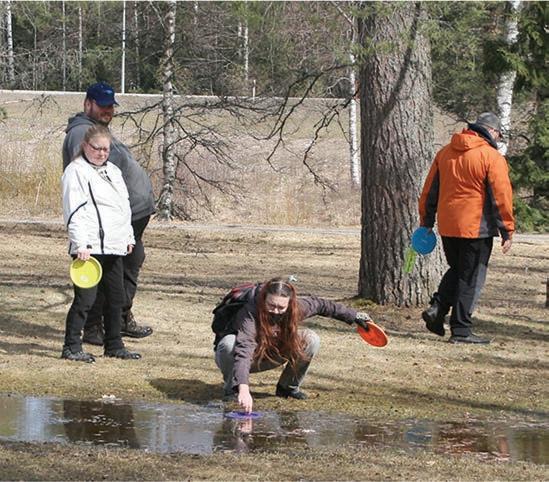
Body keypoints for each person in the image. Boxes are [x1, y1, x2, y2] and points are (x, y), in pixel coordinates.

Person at [62, 82, 155, 345]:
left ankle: (118, 323)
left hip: (125, 221)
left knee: (127, 268)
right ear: (87, 103)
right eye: (102, 105)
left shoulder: (98, 131)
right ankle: (93, 330)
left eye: (111, 106)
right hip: (100, 227)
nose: (107, 110)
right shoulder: (81, 132)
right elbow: (82, 188)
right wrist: (83, 238)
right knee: (98, 278)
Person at [418, 112, 515, 345]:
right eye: (498, 135)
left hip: (448, 225)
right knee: (471, 277)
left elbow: (429, 191)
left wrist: (426, 223)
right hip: (476, 226)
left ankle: (437, 308)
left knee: (458, 270)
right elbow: (501, 195)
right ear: (491, 131)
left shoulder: (445, 153)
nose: (497, 139)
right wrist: (507, 229)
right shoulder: (491, 156)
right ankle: (461, 330)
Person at [214, 277, 371, 413]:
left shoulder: (297, 307)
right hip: (242, 360)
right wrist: (243, 389)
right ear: (263, 299)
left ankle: (287, 388)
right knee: (229, 344)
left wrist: (355, 316)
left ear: (290, 303)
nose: (276, 311)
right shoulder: (249, 312)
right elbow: (244, 349)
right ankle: (232, 390)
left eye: (281, 307)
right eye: (271, 305)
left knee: (311, 339)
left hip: (272, 353)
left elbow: (323, 305)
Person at [61, 125, 141, 362]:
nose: (102, 153)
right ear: (85, 146)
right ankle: (71, 346)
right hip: (89, 249)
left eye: (106, 149)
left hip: (114, 247)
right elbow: (73, 210)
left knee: (116, 299)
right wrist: (80, 244)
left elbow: (123, 207)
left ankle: (114, 345)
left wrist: (128, 237)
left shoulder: (113, 171)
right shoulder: (76, 171)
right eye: (97, 148)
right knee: (85, 300)